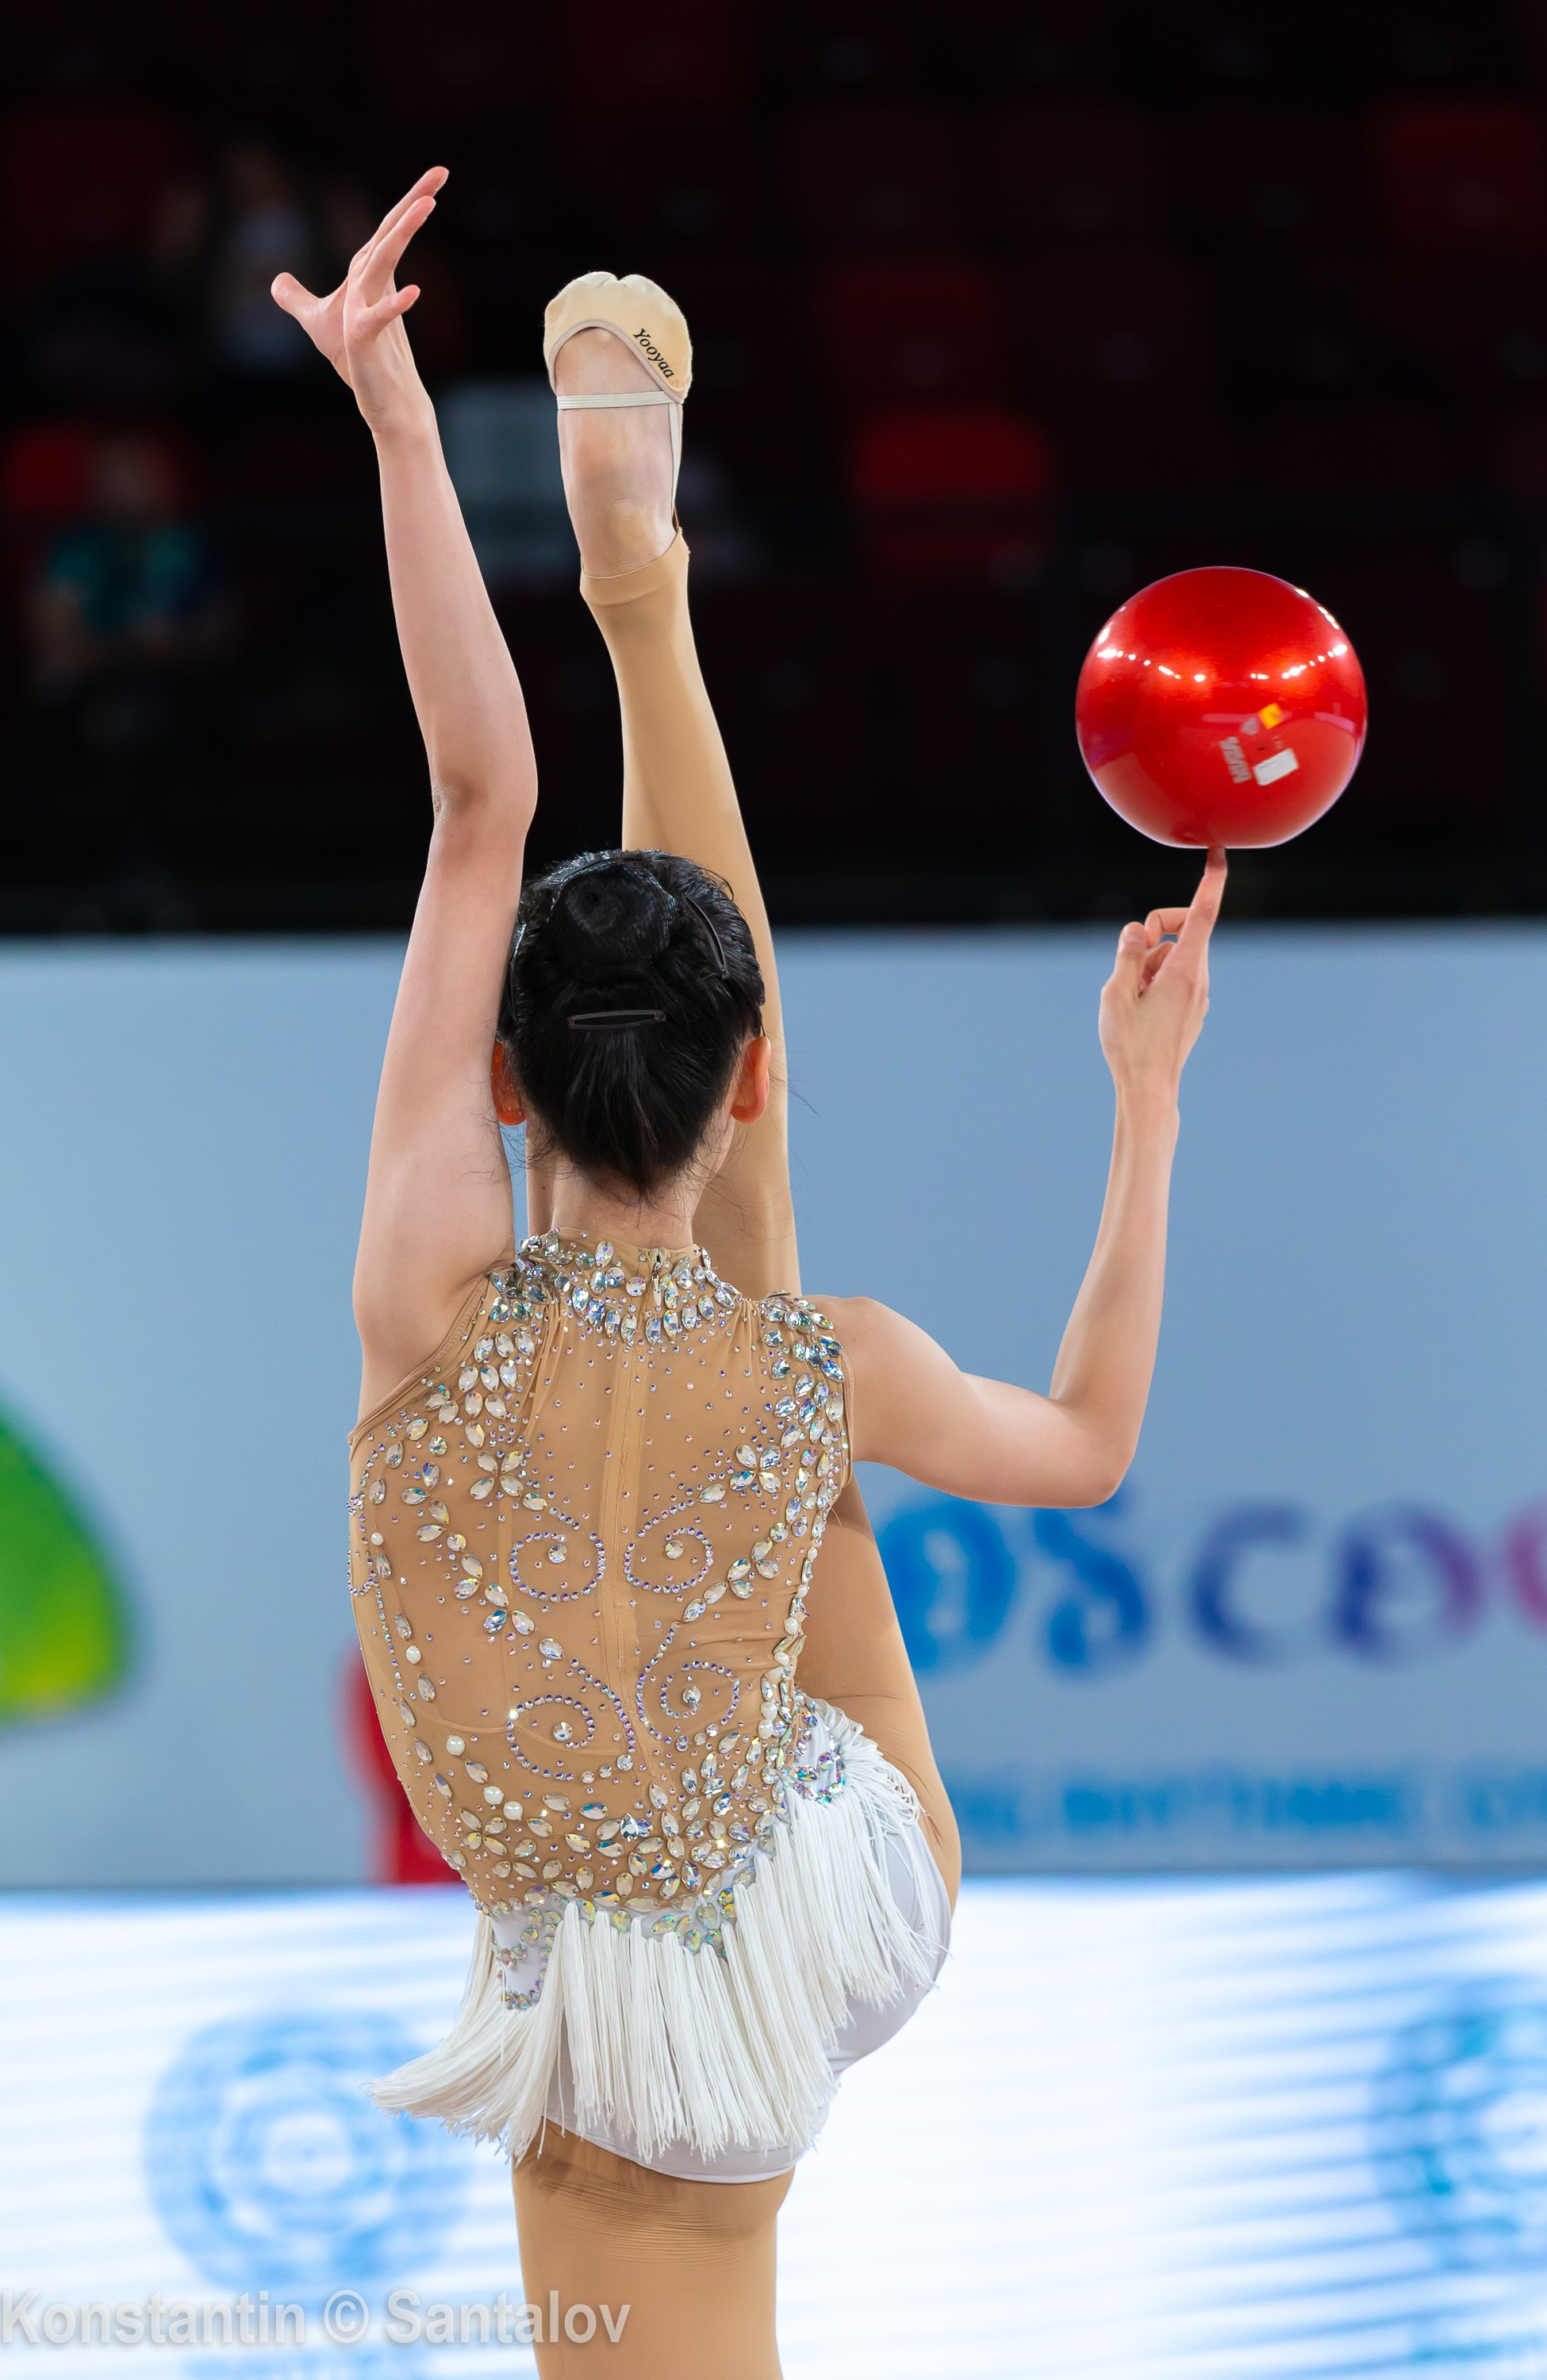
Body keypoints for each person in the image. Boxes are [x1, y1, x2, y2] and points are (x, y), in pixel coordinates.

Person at [274, 169, 1224, 2379]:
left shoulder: (425, 1298)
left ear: (506, 1086)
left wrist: (409, 435)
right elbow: (1090, 1445)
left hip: (634, 1975)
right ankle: (648, 589)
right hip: (824, 1883)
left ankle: (636, 583)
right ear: (759, 1070)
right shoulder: (833, 1362)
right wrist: (1146, 1102)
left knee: (725, 1370)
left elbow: (457, 817)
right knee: (753, 1361)